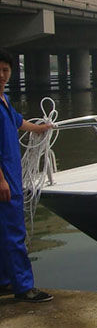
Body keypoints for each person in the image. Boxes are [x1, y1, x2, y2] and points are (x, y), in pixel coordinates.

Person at [0, 48, 54, 303]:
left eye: (5, 70)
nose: (1, 75)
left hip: (11, 173)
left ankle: (4, 280)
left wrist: (40, 128)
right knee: (13, 231)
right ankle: (24, 287)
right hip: (4, 177)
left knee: (3, 232)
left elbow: (19, 122)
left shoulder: (5, 100)